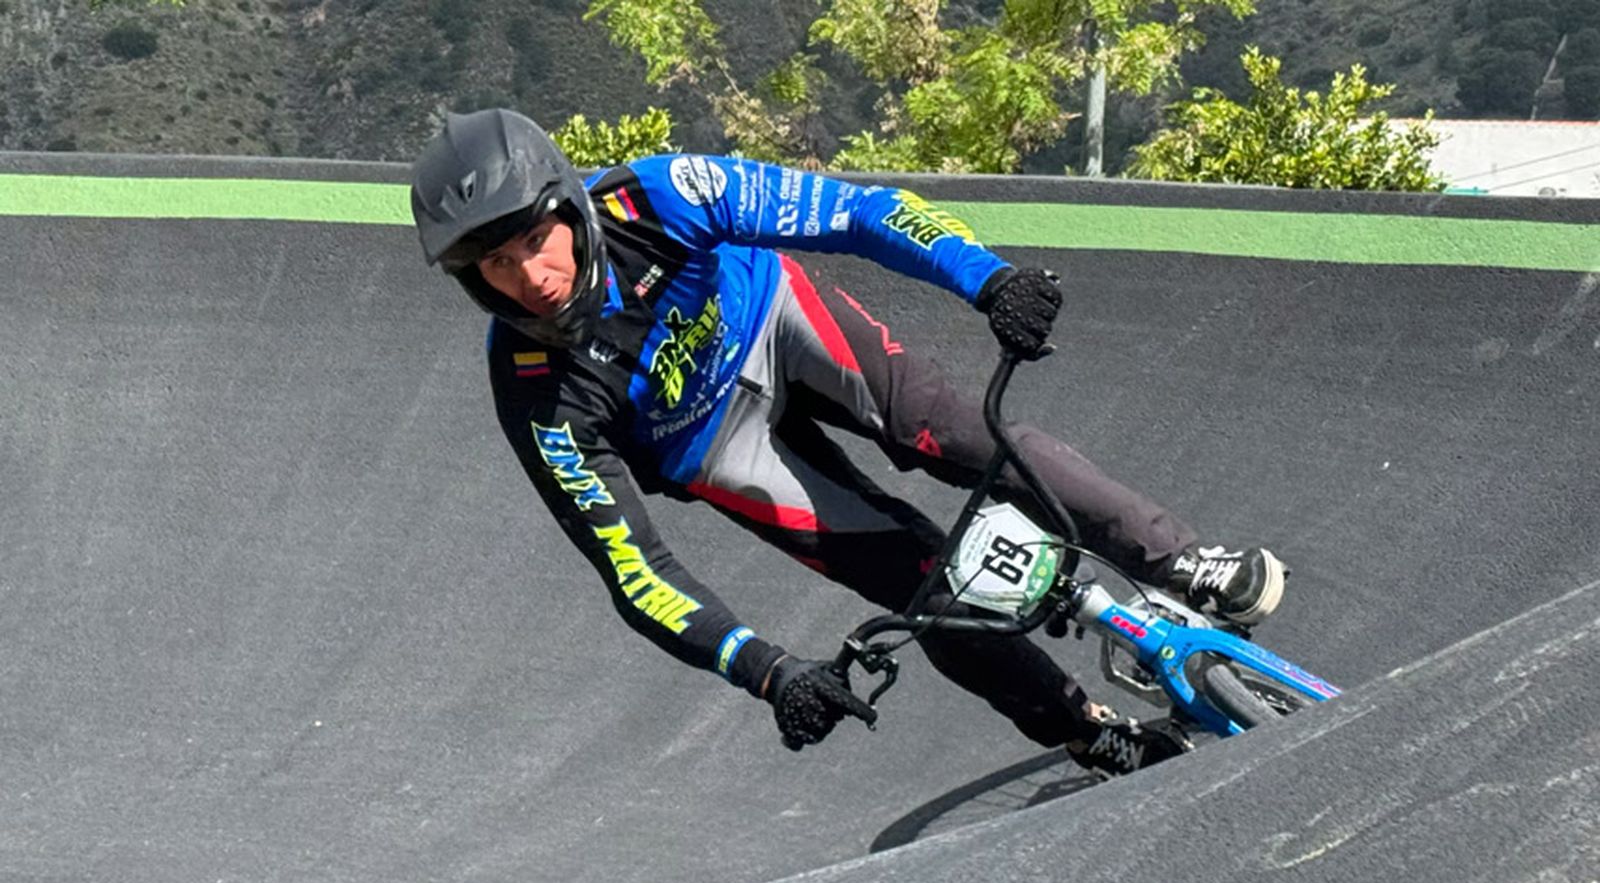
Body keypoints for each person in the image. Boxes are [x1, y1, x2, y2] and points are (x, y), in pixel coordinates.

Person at [409, 109, 1287, 778]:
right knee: (926, 591)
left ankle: (1182, 562)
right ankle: (1086, 732)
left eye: (535, 239)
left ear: (569, 206)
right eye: (496, 266)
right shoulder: (533, 391)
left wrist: (991, 281)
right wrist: (767, 670)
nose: (531, 278)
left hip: (775, 322)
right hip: (714, 445)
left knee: (961, 435)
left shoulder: (665, 194)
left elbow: (858, 213)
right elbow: (634, 569)